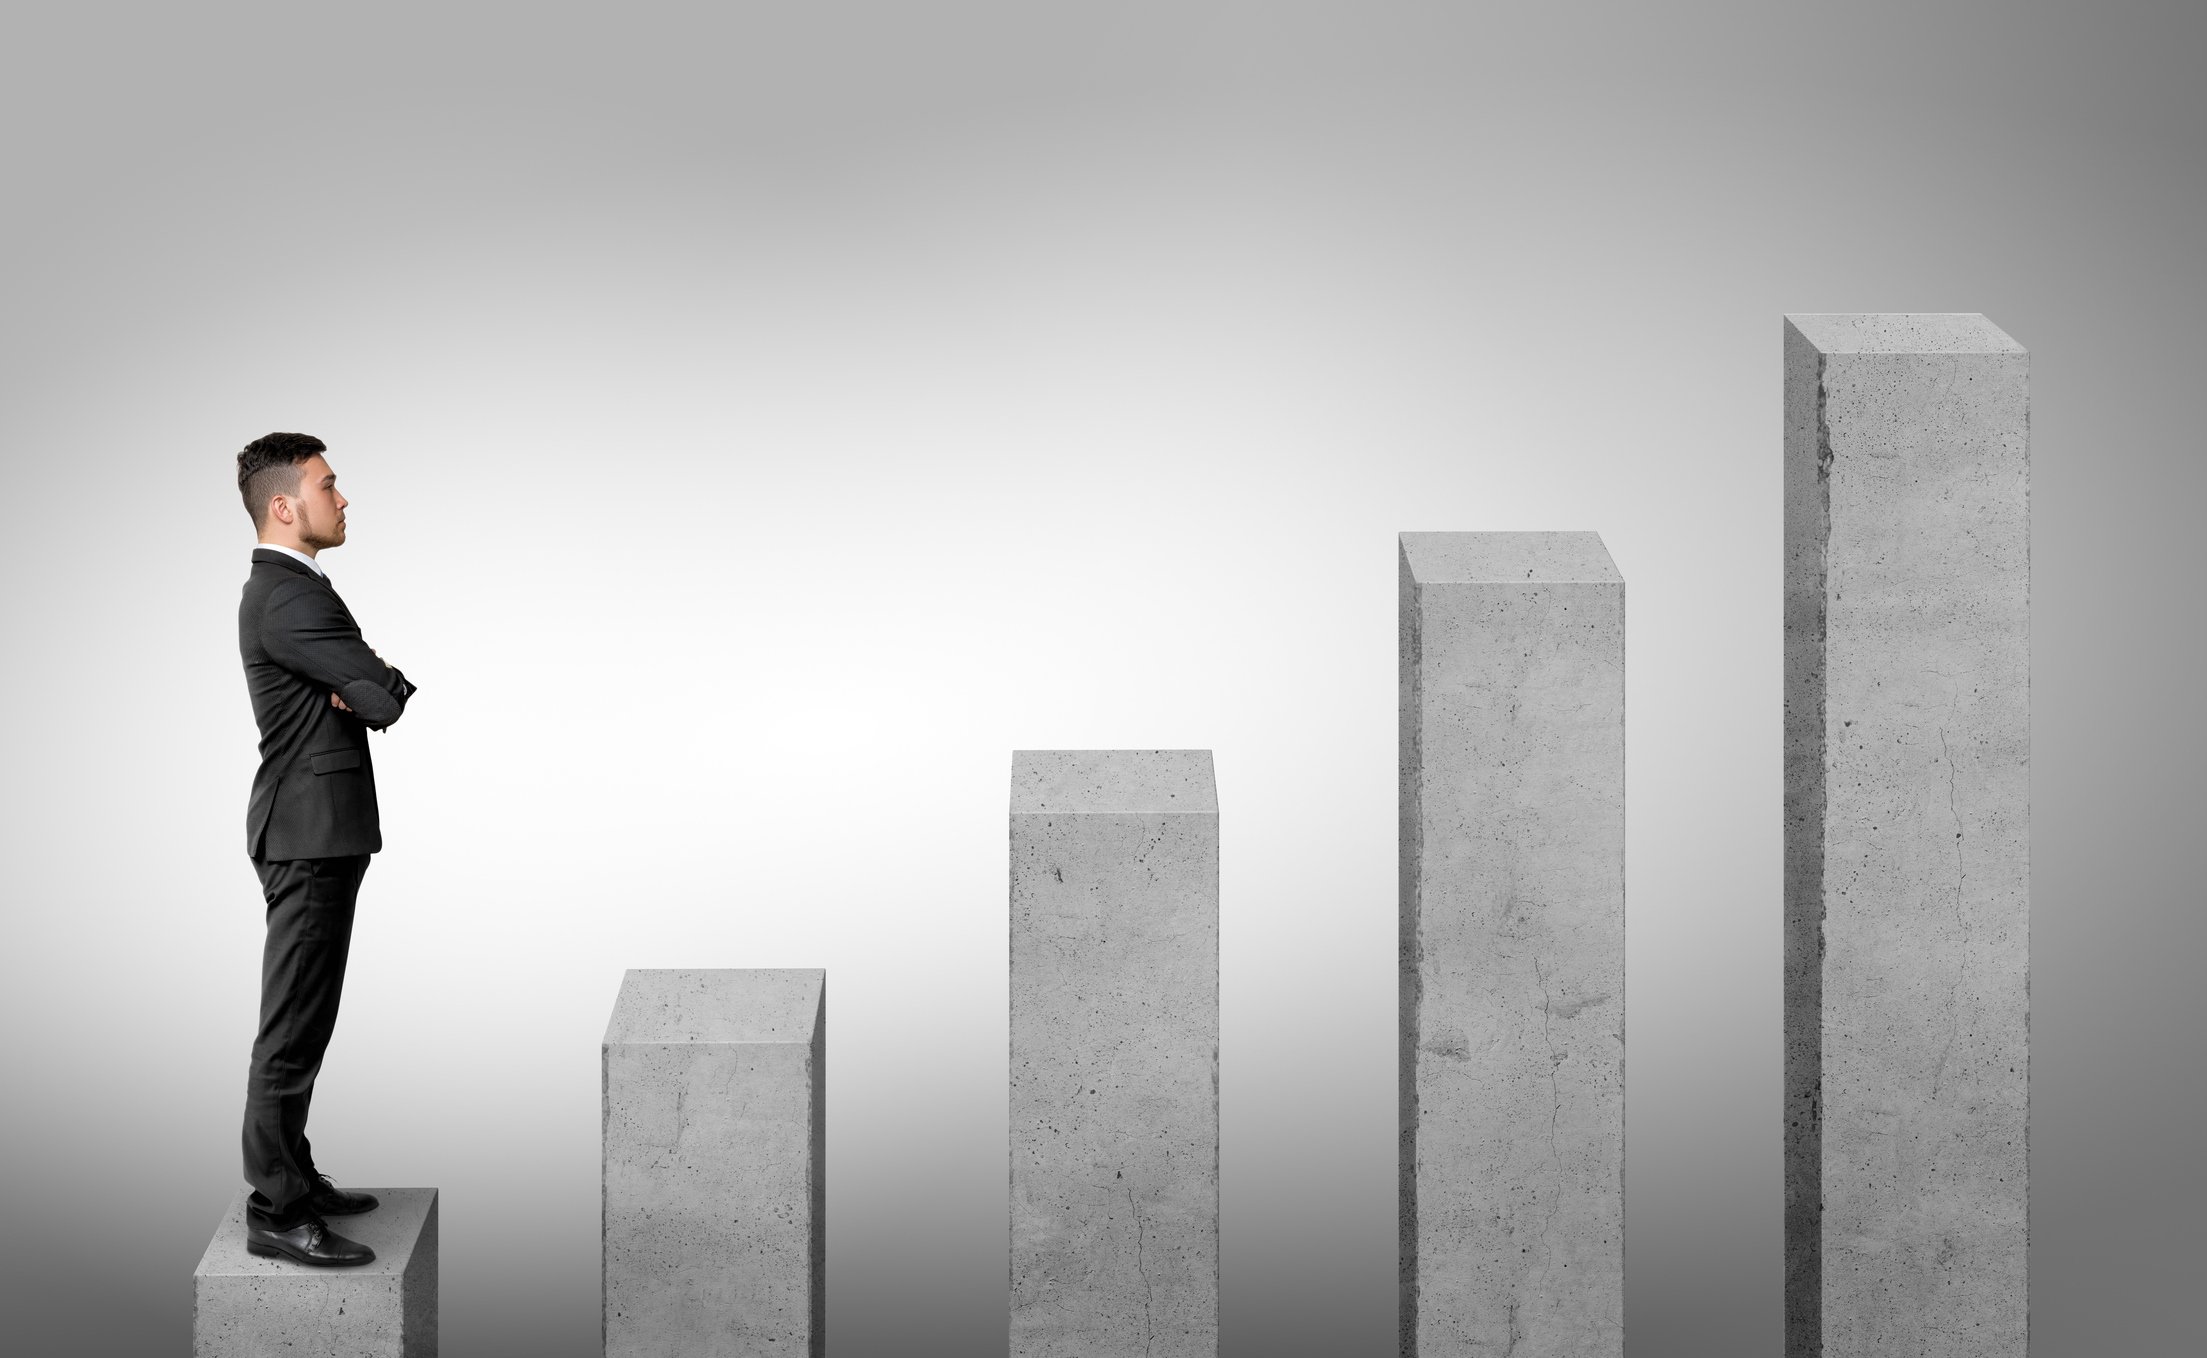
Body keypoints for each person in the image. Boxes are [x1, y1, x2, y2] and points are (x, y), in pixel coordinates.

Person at [233, 432, 418, 1266]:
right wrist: (369, 678)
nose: (343, 500)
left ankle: (295, 1177)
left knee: (309, 1019)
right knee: (292, 1028)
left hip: (318, 831)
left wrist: (364, 678)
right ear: (285, 505)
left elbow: (367, 686)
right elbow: (381, 698)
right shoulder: (287, 598)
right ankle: (275, 1210)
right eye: (329, 485)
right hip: (307, 835)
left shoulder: (296, 593)